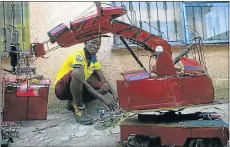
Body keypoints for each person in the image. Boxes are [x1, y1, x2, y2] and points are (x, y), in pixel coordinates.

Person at [54, 37, 118, 125]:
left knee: (105, 87)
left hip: (78, 87)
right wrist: (103, 99)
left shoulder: (94, 59)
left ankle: (73, 103)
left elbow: (103, 79)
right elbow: (81, 80)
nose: (96, 46)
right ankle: (79, 110)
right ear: (85, 42)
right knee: (76, 74)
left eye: (98, 45)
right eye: (93, 43)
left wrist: (114, 94)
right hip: (62, 89)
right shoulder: (78, 55)